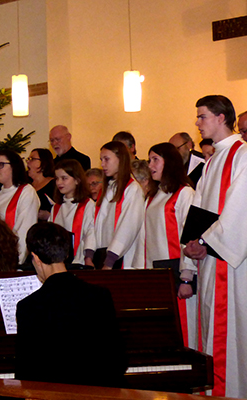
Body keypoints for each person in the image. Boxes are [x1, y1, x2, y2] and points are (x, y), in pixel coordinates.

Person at [183, 95, 247, 398]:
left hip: (231, 267)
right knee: (210, 328)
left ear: (221, 118)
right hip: (209, 260)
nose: (197, 123)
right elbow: (198, 207)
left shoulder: (242, 155)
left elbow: (240, 209)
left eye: (202, 116)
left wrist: (207, 243)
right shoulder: (211, 162)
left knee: (230, 335)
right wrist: (192, 242)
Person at [15, 222, 126, 386]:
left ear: (36, 258)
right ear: (66, 254)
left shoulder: (29, 306)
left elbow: (26, 372)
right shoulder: (100, 296)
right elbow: (119, 361)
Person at [133, 142, 196, 349]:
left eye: (155, 160)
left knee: (184, 330)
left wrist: (187, 276)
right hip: (156, 273)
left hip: (177, 273)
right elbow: (144, 237)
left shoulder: (184, 193)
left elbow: (189, 234)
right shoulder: (154, 195)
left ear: (168, 162)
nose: (150, 165)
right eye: (149, 159)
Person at [94, 141, 144, 269]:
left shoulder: (132, 189)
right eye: (101, 160)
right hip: (102, 255)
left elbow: (128, 227)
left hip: (119, 258)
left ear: (121, 159)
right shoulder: (107, 188)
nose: (102, 164)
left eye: (106, 159)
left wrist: (110, 260)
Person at [0, 150, 40, 264]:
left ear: (14, 166)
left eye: (1, 165)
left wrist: (16, 263)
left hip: (13, 261)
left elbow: (25, 231)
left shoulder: (26, 191)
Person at [49, 160, 95, 266]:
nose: (59, 183)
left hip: (79, 261)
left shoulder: (87, 205)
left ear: (77, 180)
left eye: (64, 178)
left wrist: (88, 257)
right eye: (57, 179)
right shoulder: (56, 208)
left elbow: (90, 233)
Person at [26, 148, 55, 221]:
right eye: (28, 159)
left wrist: (49, 215)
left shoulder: (54, 184)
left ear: (43, 162)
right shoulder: (27, 186)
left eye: (32, 159)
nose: (27, 161)